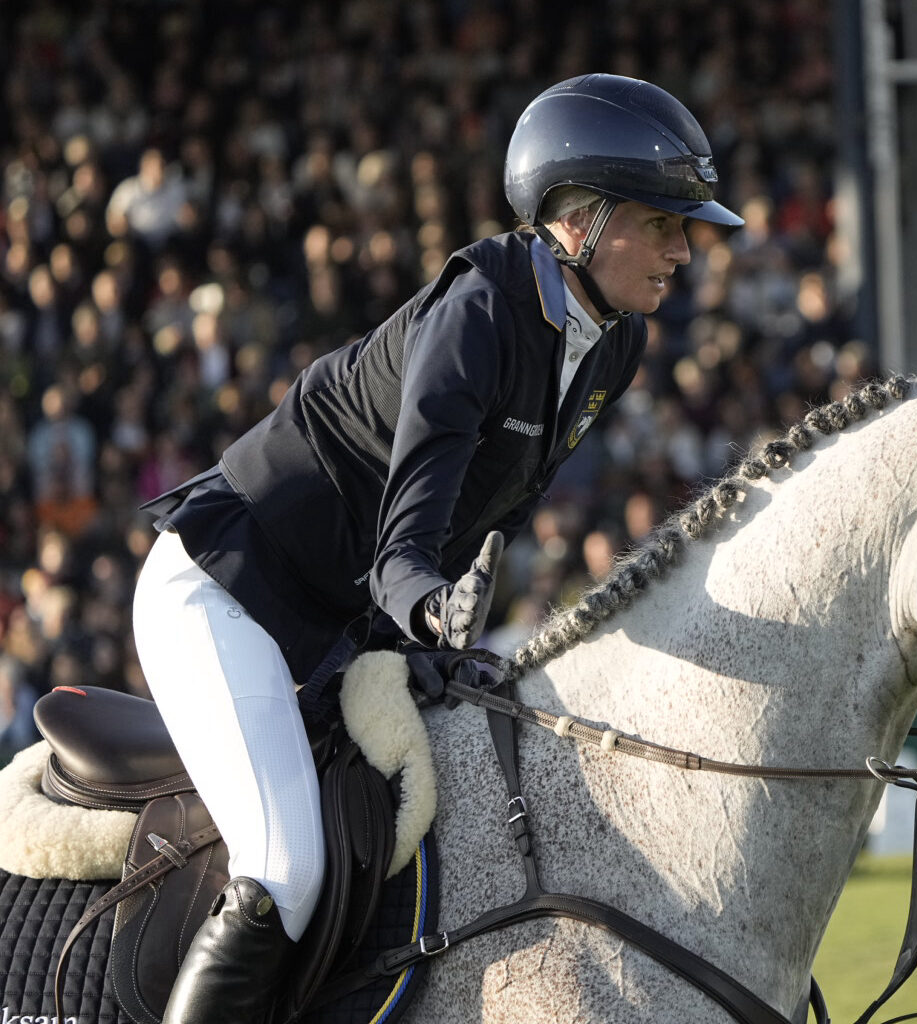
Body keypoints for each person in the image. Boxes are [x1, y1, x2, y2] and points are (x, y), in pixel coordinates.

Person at [129, 74, 741, 1022]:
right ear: (577, 222)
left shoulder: (613, 346)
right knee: (286, 873)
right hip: (226, 591)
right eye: (663, 221)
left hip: (344, 628)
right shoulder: (480, 313)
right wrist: (429, 610)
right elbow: (410, 535)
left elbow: (479, 519)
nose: (684, 248)